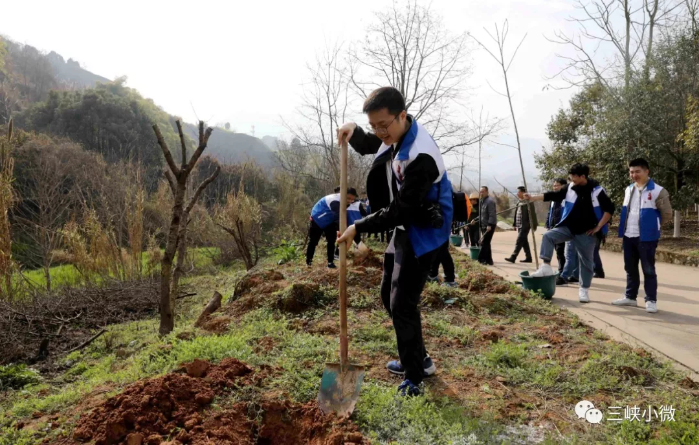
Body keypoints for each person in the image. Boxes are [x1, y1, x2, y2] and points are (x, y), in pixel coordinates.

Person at [336, 86, 453, 397]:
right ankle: (419, 358)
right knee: (390, 298)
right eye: (374, 125)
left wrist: (358, 227)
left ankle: (414, 376)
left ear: (402, 115)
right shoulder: (396, 133)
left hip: (424, 231)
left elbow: (402, 209)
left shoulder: (421, 156)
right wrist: (355, 131)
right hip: (404, 227)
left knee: (402, 304)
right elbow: (374, 143)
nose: (380, 132)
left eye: (383, 125)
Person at [525, 163, 615, 303]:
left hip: (587, 232)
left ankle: (584, 289)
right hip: (568, 228)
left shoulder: (597, 191)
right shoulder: (569, 188)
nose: (571, 179)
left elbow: (609, 209)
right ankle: (546, 266)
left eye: (574, 176)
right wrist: (532, 197)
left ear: (582, 176)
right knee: (548, 236)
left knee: (586, 262)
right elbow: (554, 195)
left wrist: (598, 227)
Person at [612, 158, 672, 313]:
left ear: (647, 171)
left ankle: (651, 300)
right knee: (630, 268)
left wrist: (652, 226)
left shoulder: (658, 191)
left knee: (648, 269)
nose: (634, 175)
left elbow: (666, 214)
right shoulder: (628, 189)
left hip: (647, 238)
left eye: (637, 171)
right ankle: (630, 297)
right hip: (628, 235)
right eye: (631, 172)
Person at [306, 188, 362, 268]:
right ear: (343, 194)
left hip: (330, 220)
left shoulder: (347, 202)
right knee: (313, 241)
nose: (350, 201)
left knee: (331, 241)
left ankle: (330, 263)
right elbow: (340, 217)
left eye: (352, 199)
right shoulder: (335, 201)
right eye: (348, 198)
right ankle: (309, 261)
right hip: (318, 219)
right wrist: (344, 231)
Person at [505, 186, 537, 264]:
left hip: (525, 225)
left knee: (519, 240)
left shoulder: (529, 202)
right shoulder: (519, 202)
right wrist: (514, 224)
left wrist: (534, 225)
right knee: (524, 241)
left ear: (523, 193)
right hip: (519, 225)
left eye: (519, 192)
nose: (517, 193)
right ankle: (528, 257)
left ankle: (513, 257)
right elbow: (516, 214)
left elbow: (533, 214)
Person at [545, 178, 568, 283]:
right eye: (554, 186)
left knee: (561, 251)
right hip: (552, 227)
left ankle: (562, 272)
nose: (555, 187)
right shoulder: (553, 199)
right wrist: (548, 224)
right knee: (557, 251)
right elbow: (550, 213)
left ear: (563, 186)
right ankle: (562, 271)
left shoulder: (565, 199)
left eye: (557, 185)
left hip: (561, 228)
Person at [477, 186, 497, 265]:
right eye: (480, 191)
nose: (481, 193)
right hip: (483, 224)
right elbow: (481, 215)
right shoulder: (482, 201)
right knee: (487, 243)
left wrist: (489, 225)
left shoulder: (490, 201)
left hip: (489, 225)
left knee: (485, 242)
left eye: (483, 191)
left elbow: (492, 214)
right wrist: (475, 220)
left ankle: (481, 259)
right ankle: (489, 260)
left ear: (487, 192)